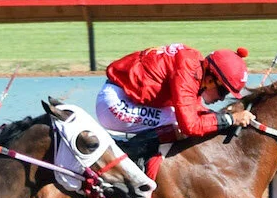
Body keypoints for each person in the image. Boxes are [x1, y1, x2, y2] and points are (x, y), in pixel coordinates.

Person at [96, 43, 257, 141]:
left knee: (184, 117)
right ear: (210, 80)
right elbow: (191, 126)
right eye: (223, 92)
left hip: (125, 96)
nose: (221, 99)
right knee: (177, 122)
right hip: (116, 104)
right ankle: (132, 157)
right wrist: (231, 119)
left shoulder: (194, 65)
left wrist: (223, 117)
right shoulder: (187, 73)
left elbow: (193, 107)